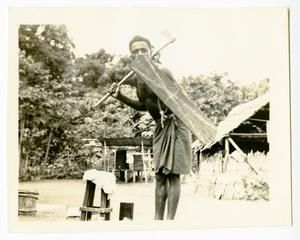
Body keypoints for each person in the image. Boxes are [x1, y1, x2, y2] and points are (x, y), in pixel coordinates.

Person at [109, 35, 192, 220]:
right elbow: (143, 105)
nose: (139, 53)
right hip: (160, 128)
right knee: (160, 176)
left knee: (172, 175)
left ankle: (169, 224)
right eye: (135, 52)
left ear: (151, 52)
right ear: (131, 56)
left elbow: (181, 99)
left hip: (177, 123)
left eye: (143, 50)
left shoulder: (164, 71)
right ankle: (157, 221)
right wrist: (119, 96)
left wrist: (156, 77)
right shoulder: (138, 79)